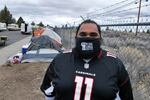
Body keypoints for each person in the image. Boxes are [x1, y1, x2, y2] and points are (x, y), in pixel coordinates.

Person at [40, 19, 133, 100]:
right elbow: (48, 89)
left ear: (100, 38)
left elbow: (126, 96)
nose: (88, 37)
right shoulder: (60, 59)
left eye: (93, 35)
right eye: (83, 34)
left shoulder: (115, 64)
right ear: (76, 37)